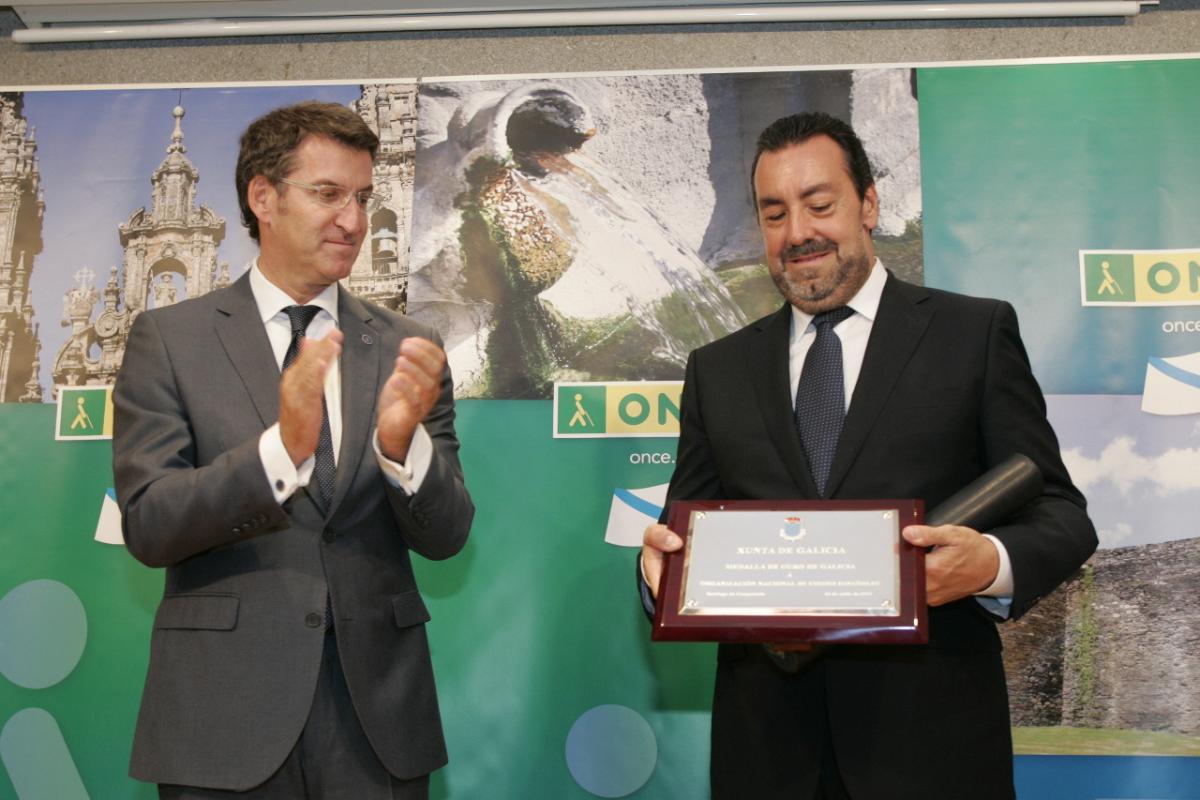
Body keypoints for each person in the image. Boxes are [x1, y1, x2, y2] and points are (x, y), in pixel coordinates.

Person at [639, 111, 1096, 799]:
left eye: (819, 204)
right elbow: (683, 534)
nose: (798, 232)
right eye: (774, 214)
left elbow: (1061, 514)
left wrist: (986, 564)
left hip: (933, 753)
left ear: (870, 205)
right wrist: (658, 576)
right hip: (767, 758)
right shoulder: (717, 370)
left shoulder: (973, 334)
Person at [113, 101, 474, 799]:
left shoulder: (408, 345)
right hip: (222, 720)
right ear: (263, 197)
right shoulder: (171, 340)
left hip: (378, 726)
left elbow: (449, 535)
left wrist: (402, 450)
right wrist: (279, 454)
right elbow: (150, 523)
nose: (354, 220)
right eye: (328, 193)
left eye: (362, 197)